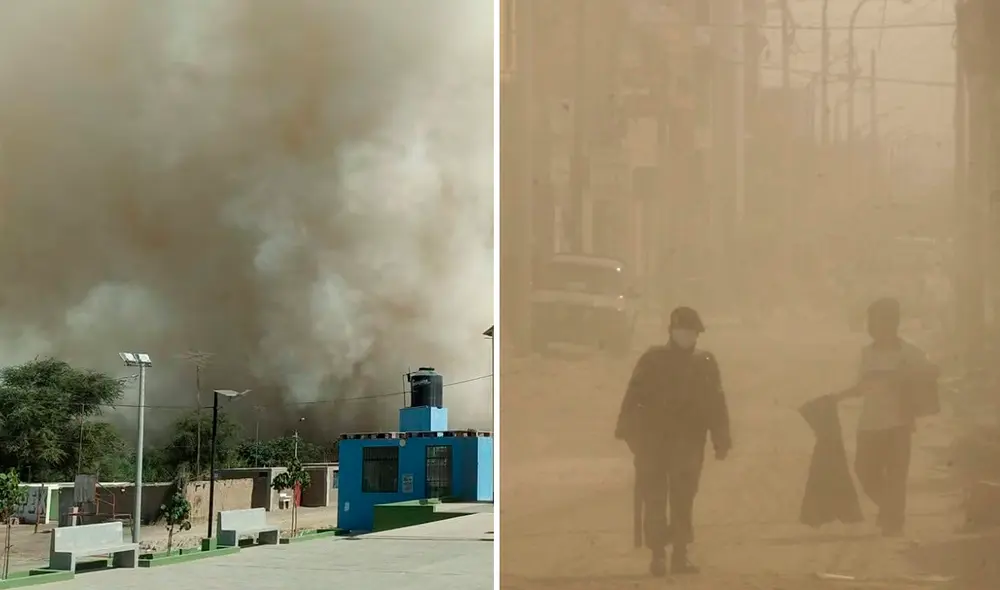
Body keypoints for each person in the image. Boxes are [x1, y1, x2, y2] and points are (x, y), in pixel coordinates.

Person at [614, 306, 732, 576]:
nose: (687, 336)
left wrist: (721, 436)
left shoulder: (705, 362)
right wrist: (627, 430)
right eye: (682, 331)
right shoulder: (652, 359)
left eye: (691, 332)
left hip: (689, 442)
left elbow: (716, 402)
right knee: (654, 499)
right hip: (653, 442)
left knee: (683, 499)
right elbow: (633, 396)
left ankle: (679, 554)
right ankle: (657, 555)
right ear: (671, 332)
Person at [833, 297, 938, 536]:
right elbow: (863, 386)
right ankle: (891, 510)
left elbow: (933, 371)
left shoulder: (910, 352)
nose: (874, 327)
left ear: (893, 323)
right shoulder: (867, 353)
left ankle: (893, 523)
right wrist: (838, 396)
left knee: (896, 476)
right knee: (864, 471)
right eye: (871, 322)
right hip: (869, 424)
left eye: (879, 321)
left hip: (899, 424)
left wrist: (908, 376)